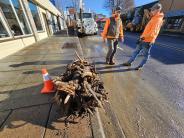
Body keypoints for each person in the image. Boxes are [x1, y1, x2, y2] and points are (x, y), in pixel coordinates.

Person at [123, 3, 164, 70]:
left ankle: (140, 66)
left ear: (157, 10)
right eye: (151, 10)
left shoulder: (158, 20)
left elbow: (153, 32)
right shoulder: (153, 18)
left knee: (145, 55)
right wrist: (141, 37)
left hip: (148, 41)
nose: (151, 12)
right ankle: (129, 62)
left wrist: (143, 37)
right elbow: (147, 30)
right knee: (136, 51)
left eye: (152, 10)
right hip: (143, 39)